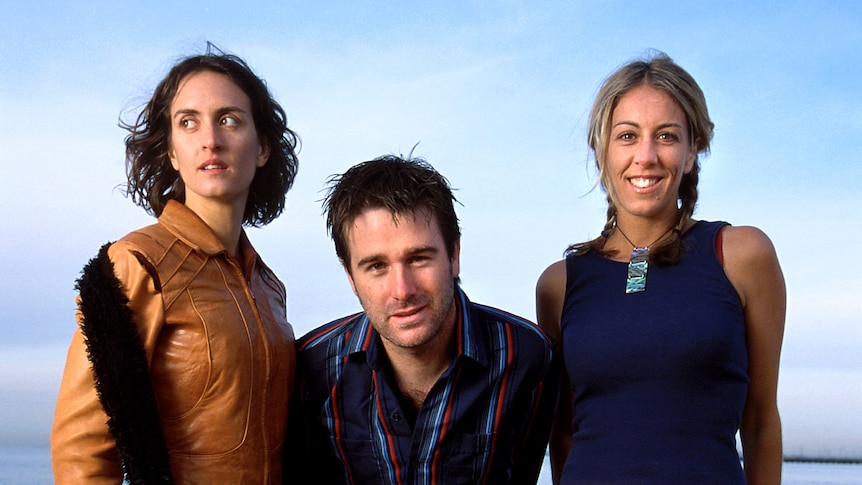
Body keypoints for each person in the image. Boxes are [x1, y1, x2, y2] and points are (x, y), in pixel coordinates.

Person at [51, 45, 300, 484]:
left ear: (262, 148)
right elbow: (82, 447)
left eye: (229, 119)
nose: (210, 139)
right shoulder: (137, 262)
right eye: (188, 122)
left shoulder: (269, 286)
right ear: (171, 153)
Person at [536, 52, 786, 484]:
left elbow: (761, 422)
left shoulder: (743, 256)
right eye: (627, 136)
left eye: (667, 136)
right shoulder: (559, 284)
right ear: (601, 152)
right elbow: (563, 431)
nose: (646, 156)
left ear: (693, 152)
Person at [288, 155, 559, 484]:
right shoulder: (313, 368)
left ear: (454, 255)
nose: (402, 290)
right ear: (350, 276)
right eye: (376, 266)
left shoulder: (528, 356)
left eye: (418, 258)